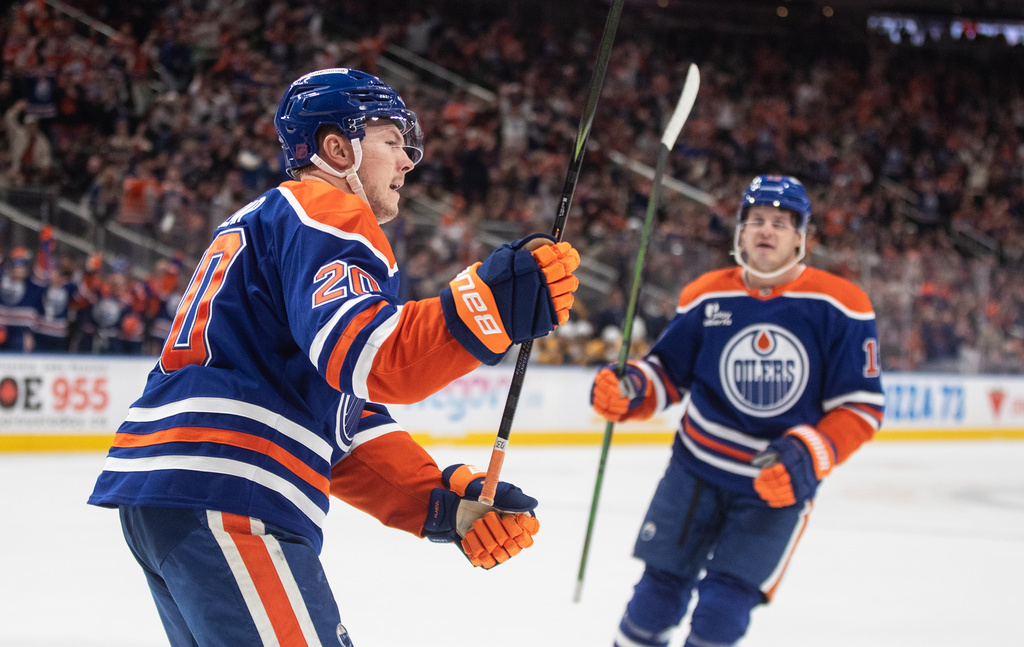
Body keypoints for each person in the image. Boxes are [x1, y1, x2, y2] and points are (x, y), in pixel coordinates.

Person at [88, 68, 580, 646]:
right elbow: (371, 357)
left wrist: (441, 501)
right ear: (336, 147)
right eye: (392, 141)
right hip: (231, 494)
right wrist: (487, 306)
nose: (407, 162)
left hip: (179, 497)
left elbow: (341, 421)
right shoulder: (328, 210)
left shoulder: (272, 221)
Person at [591, 175, 884, 647]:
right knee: (653, 600)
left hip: (774, 485)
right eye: (757, 220)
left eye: (780, 223)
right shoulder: (707, 294)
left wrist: (810, 453)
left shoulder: (841, 305)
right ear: (741, 232)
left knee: (722, 614)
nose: (766, 230)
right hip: (694, 473)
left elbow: (861, 406)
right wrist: (631, 389)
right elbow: (667, 373)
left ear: (800, 237)